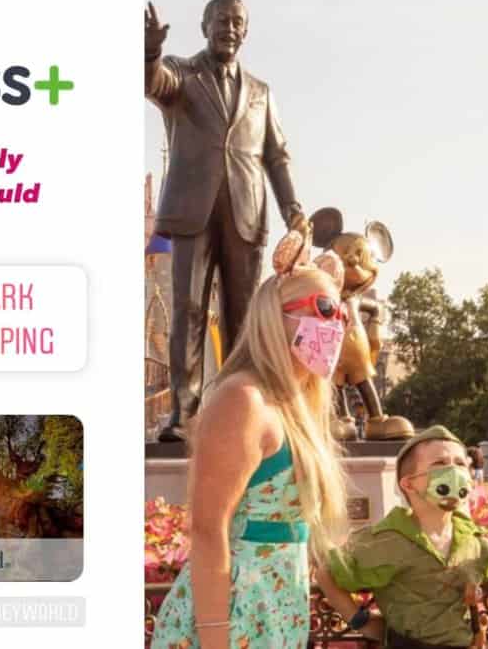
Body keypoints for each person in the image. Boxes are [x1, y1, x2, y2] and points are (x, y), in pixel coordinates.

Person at [149, 265, 349, 649]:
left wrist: (356, 616)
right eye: (324, 308)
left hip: (275, 617)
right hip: (233, 620)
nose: (336, 323)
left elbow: (304, 536)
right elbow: (208, 529)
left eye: (342, 313)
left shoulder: (296, 407)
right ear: (274, 315)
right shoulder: (243, 399)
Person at [145, 0, 309, 442]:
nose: (229, 29)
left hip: (246, 211)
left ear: (246, 32)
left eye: (237, 22)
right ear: (205, 26)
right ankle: (184, 413)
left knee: (244, 315)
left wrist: (293, 210)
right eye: (221, 21)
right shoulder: (182, 73)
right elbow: (152, 82)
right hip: (192, 212)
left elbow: (277, 156)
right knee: (189, 311)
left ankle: (239, 409)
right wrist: (150, 50)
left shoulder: (261, 92)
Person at [317, 426, 488, 648]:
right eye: (440, 463)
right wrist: (362, 622)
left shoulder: (473, 539)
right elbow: (326, 572)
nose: (454, 471)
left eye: (460, 464)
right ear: (408, 484)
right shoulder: (386, 539)